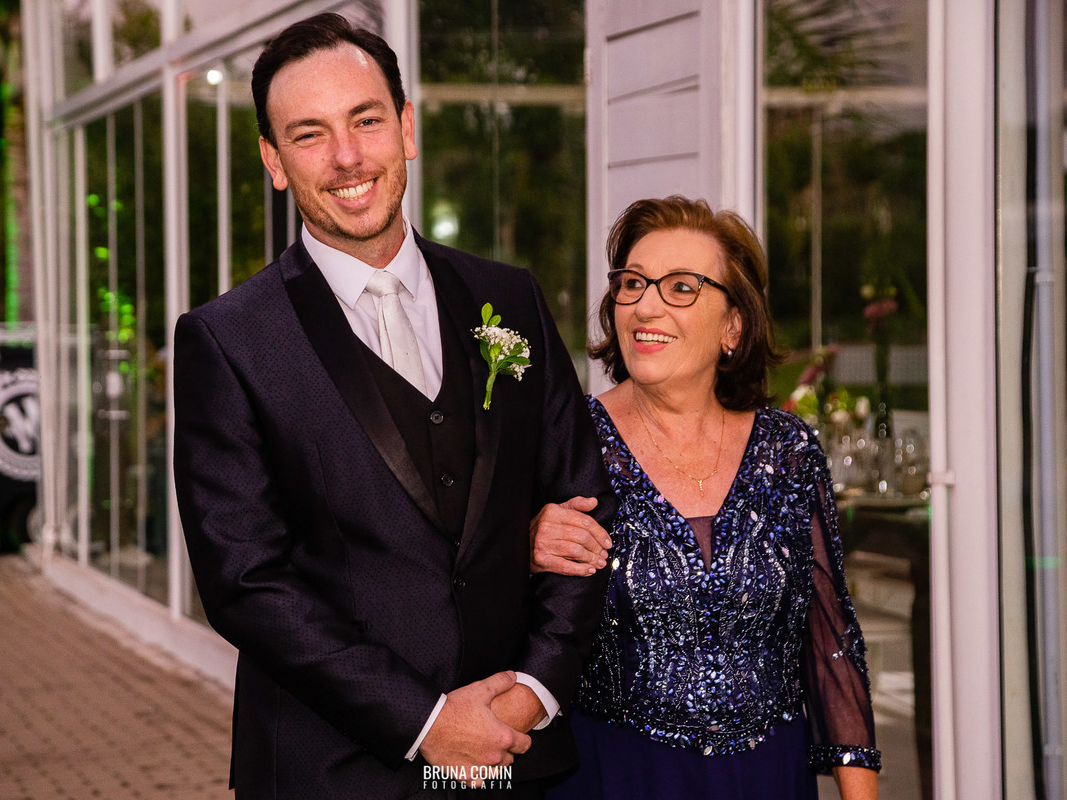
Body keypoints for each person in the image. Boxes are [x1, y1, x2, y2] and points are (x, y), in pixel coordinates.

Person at [172, 13, 615, 799]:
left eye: (366, 120)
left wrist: (533, 691)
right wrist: (427, 721)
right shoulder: (227, 340)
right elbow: (245, 580)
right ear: (274, 161)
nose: (347, 157)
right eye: (310, 134)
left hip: (517, 753)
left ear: (406, 128)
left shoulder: (509, 297)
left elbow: (582, 508)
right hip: (330, 769)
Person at [532, 197, 880, 800]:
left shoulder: (788, 451)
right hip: (616, 776)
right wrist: (525, 538)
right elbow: (479, 596)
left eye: (681, 287)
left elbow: (830, 642)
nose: (646, 305)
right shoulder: (567, 444)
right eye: (633, 283)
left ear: (732, 327)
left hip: (768, 778)